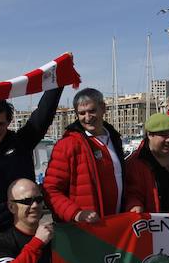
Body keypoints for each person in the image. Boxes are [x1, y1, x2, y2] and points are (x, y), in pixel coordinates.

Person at [0, 85, 62, 237]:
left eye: (1, 124)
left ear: (8, 123)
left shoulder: (21, 144)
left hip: (25, 231)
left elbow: (44, 114)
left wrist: (57, 83)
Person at [43, 88, 124, 224]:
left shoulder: (115, 138)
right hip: (86, 230)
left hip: (117, 226)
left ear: (103, 108)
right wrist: (76, 213)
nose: (87, 117)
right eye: (81, 113)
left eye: (92, 111)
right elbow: (50, 190)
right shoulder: (67, 145)